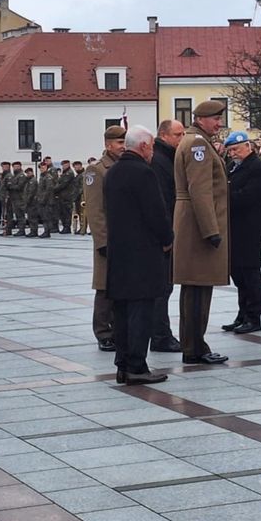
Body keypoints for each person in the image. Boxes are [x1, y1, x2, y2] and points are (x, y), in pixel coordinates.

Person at [103, 125, 174, 385]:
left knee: (122, 313)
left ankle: (123, 364)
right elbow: (156, 212)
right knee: (141, 312)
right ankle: (136, 366)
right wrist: (167, 239)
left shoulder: (113, 173)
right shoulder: (143, 173)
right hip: (143, 255)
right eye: (152, 146)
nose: (153, 152)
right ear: (144, 145)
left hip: (119, 254)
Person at [173, 99, 230, 365]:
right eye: (216, 119)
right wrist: (211, 230)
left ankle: (193, 343)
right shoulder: (198, 144)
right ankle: (195, 347)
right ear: (202, 119)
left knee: (195, 288)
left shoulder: (194, 141)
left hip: (192, 223)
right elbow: (200, 190)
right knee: (198, 288)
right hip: (198, 226)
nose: (219, 124)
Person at [83, 125, 126, 352]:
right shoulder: (96, 170)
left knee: (122, 286)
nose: (123, 147)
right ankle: (103, 332)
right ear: (108, 145)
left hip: (125, 237)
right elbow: (94, 209)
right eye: (119, 143)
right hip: (108, 239)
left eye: (125, 142)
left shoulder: (125, 166)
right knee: (104, 287)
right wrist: (102, 241)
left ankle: (118, 329)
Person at [223, 131, 261, 335]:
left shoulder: (257, 167)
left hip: (249, 227)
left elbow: (248, 196)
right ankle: (242, 314)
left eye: (236, 149)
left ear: (248, 147)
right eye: (230, 150)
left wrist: (224, 198)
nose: (233, 153)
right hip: (234, 226)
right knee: (238, 273)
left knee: (250, 272)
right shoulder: (234, 166)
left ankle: (253, 316)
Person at [150, 119, 185, 352]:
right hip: (162, 234)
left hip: (166, 231)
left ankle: (161, 333)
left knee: (165, 286)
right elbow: (162, 201)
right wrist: (166, 236)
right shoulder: (161, 161)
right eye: (177, 135)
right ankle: (161, 336)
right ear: (164, 135)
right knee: (162, 287)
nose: (181, 139)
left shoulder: (167, 158)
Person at [55, 160, 77, 233]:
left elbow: (63, 184)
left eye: (65, 165)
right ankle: (65, 226)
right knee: (62, 212)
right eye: (63, 165)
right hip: (62, 196)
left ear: (68, 165)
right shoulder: (64, 173)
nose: (63, 166)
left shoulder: (69, 173)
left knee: (67, 213)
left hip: (67, 196)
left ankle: (67, 227)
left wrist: (54, 189)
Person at [0, 161, 12, 234]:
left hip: (7, 198)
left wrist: (6, 196)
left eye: (4, 167)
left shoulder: (8, 176)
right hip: (3, 197)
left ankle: (7, 230)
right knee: (5, 214)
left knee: (7, 214)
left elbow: (8, 187)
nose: (3, 168)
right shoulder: (4, 175)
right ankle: (6, 229)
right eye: (2, 167)